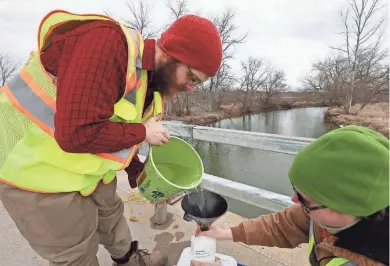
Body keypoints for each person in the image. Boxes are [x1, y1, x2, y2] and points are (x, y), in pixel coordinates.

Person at [0, 10, 222, 266]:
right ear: (173, 56)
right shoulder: (106, 43)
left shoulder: (148, 84)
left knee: (111, 212)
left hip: (85, 167)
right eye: (192, 77)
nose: (191, 88)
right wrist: (143, 132)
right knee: (75, 250)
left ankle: (129, 260)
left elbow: (114, 127)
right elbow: (75, 133)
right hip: (34, 167)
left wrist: (138, 170)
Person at [194, 125, 389, 266]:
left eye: (305, 199)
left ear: (348, 207)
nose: (294, 200)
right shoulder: (329, 217)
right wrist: (226, 234)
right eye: (296, 189)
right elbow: (283, 225)